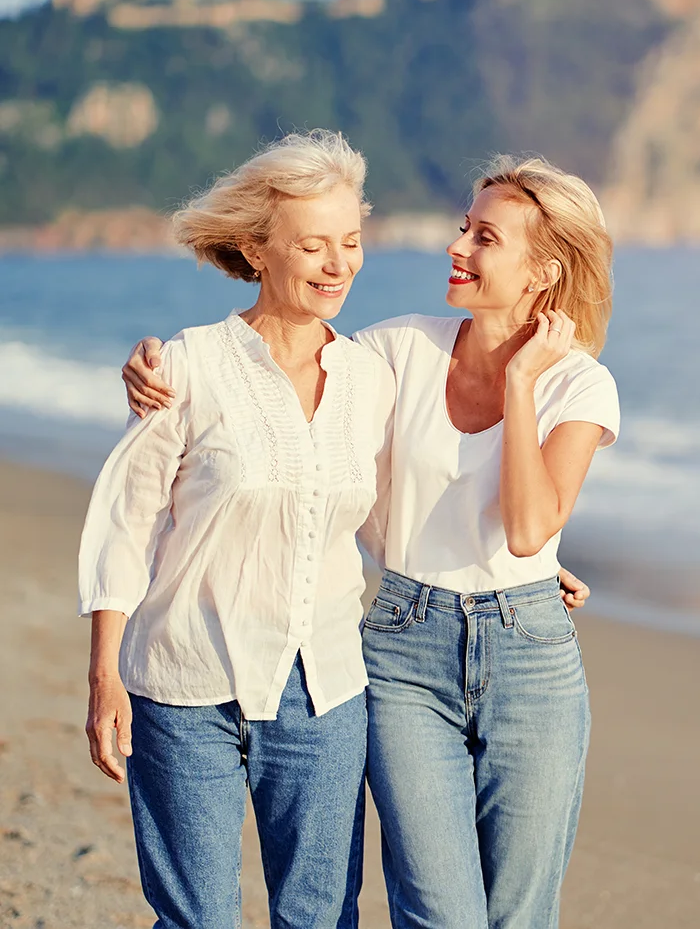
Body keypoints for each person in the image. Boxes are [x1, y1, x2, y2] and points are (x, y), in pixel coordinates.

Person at [123, 154, 617, 928]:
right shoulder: (393, 351)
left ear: (542, 270)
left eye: (485, 237)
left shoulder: (578, 383)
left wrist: (521, 385)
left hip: (530, 652)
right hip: (402, 645)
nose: (457, 248)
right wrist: (163, 370)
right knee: (439, 913)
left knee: (521, 913)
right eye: (464, 228)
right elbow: (277, 398)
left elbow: (526, 529)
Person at [81, 130, 394, 929]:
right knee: (197, 920)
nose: (338, 265)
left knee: (320, 916)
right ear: (257, 251)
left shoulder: (370, 379)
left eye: (351, 242)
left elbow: (398, 515)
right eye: (313, 246)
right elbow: (126, 522)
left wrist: (515, 569)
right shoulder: (185, 367)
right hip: (186, 682)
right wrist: (103, 675)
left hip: (324, 690)